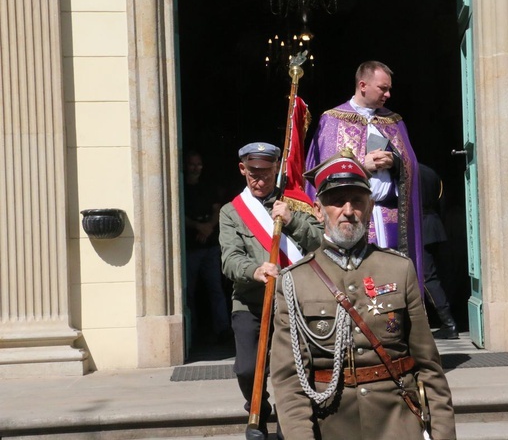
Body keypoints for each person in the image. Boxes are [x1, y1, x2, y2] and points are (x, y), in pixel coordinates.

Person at [270, 148, 457, 439]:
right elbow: (288, 379)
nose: (347, 210)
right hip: (330, 424)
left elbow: (429, 367)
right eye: (336, 202)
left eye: (356, 201)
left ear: (369, 207)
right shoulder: (295, 281)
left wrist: (443, 434)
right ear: (318, 210)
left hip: (397, 422)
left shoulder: (399, 269)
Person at [219, 142, 323, 439]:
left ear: (277, 168)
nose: (260, 180)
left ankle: (294, 424)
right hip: (250, 303)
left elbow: (321, 245)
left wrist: (291, 221)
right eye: (253, 173)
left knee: (295, 370)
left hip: (294, 303)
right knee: (247, 369)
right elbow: (229, 258)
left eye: (265, 173)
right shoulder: (231, 212)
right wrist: (255, 270)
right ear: (243, 169)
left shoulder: (297, 203)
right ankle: (258, 412)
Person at [305, 60, 423, 289]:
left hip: (389, 215)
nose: (388, 94)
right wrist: (362, 166)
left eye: (389, 88)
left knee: (392, 281)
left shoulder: (394, 121)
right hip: (352, 214)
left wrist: (397, 163)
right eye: (383, 88)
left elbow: (413, 166)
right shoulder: (332, 120)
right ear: (363, 85)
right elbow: (323, 174)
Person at [183, 149, 231, 344]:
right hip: (189, 248)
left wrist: (208, 227)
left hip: (210, 246)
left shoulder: (208, 186)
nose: (196, 168)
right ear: (185, 166)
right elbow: (176, 211)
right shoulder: (179, 187)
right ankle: (190, 334)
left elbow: (216, 210)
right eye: (192, 164)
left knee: (215, 289)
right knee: (189, 292)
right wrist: (197, 226)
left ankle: (223, 330)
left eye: (198, 164)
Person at [419, 163, 459, 339]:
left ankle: (449, 323)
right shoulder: (431, 171)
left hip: (420, 226)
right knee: (432, 275)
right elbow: (441, 201)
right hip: (434, 226)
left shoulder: (407, 170)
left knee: (428, 278)